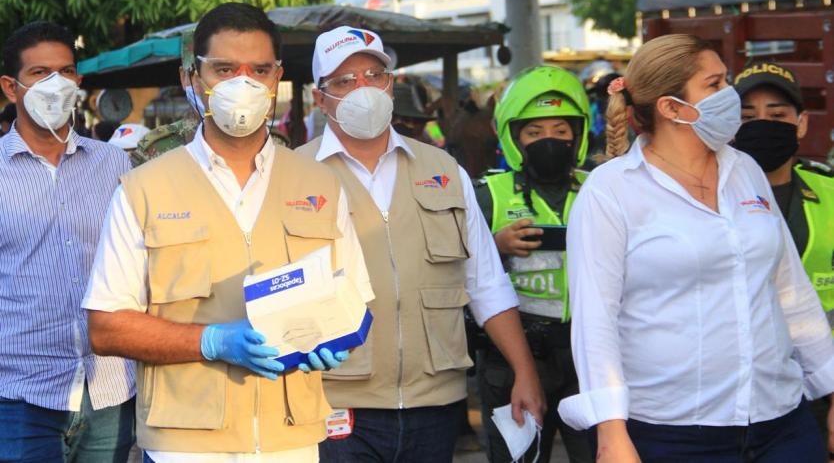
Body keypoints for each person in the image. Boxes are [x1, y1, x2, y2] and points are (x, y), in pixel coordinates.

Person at [82, 3, 373, 463]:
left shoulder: (319, 185)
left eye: (259, 70)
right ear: (192, 79)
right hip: (184, 445)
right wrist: (213, 341)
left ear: (277, 77)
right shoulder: (144, 188)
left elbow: (353, 296)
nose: (244, 84)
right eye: (224, 69)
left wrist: (332, 339)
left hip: (291, 442)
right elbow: (106, 327)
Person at [557, 34, 834, 462]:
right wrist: (611, 432)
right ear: (672, 108)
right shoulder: (610, 191)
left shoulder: (745, 170)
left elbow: (789, 291)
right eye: (715, 84)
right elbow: (595, 321)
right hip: (670, 434)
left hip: (780, 421)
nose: (730, 95)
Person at [296, 25, 545, 463]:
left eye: (374, 75)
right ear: (320, 97)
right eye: (345, 80)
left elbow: (486, 282)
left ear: (391, 84)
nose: (364, 89)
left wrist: (524, 371)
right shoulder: (292, 175)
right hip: (334, 402)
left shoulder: (443, 170)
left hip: (435, 403)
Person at [0, 21, 135, 461]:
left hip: (109, 390)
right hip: (20, 396)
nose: (56, 84)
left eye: (66, 72)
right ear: (11, 87)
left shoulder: (114, 163)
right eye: (40, 73)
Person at [474, 66, 593, 463]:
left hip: (585, 357)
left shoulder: (598, 187)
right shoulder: (489, 194)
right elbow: (459, 267)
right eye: (534, 132)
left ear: (578, 135)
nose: (549, 140)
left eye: (561, 131)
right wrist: (496, 245)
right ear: (514, 137)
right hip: (513, 358)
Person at [731, 61, 834, 450]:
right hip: (740, 390)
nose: (762, 125)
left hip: (822, 385)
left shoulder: (830, 194)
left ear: (801, 124)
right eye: (747, 117)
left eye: (777, 116)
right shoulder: (705, 201)